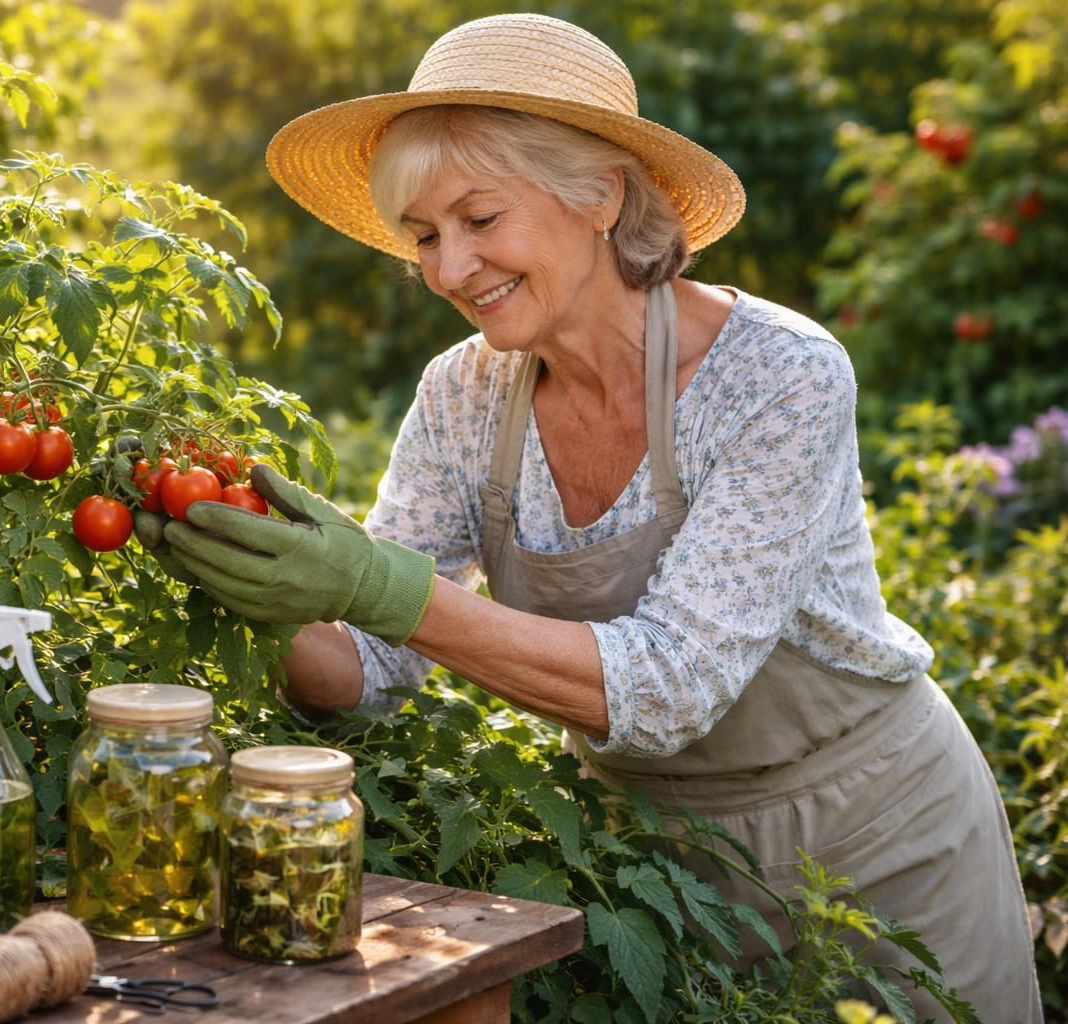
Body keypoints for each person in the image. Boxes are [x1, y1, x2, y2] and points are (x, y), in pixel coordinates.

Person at [147, 13, 1042, 1022]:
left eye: (480, 219)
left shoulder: (778, 374)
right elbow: (369, 665)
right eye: (426, 237)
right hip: (659, 863)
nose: (448, 269)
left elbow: (672, 682)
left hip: (882, 843)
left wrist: (370, 583)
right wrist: (257, 583)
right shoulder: (463, 396)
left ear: (602, 196)